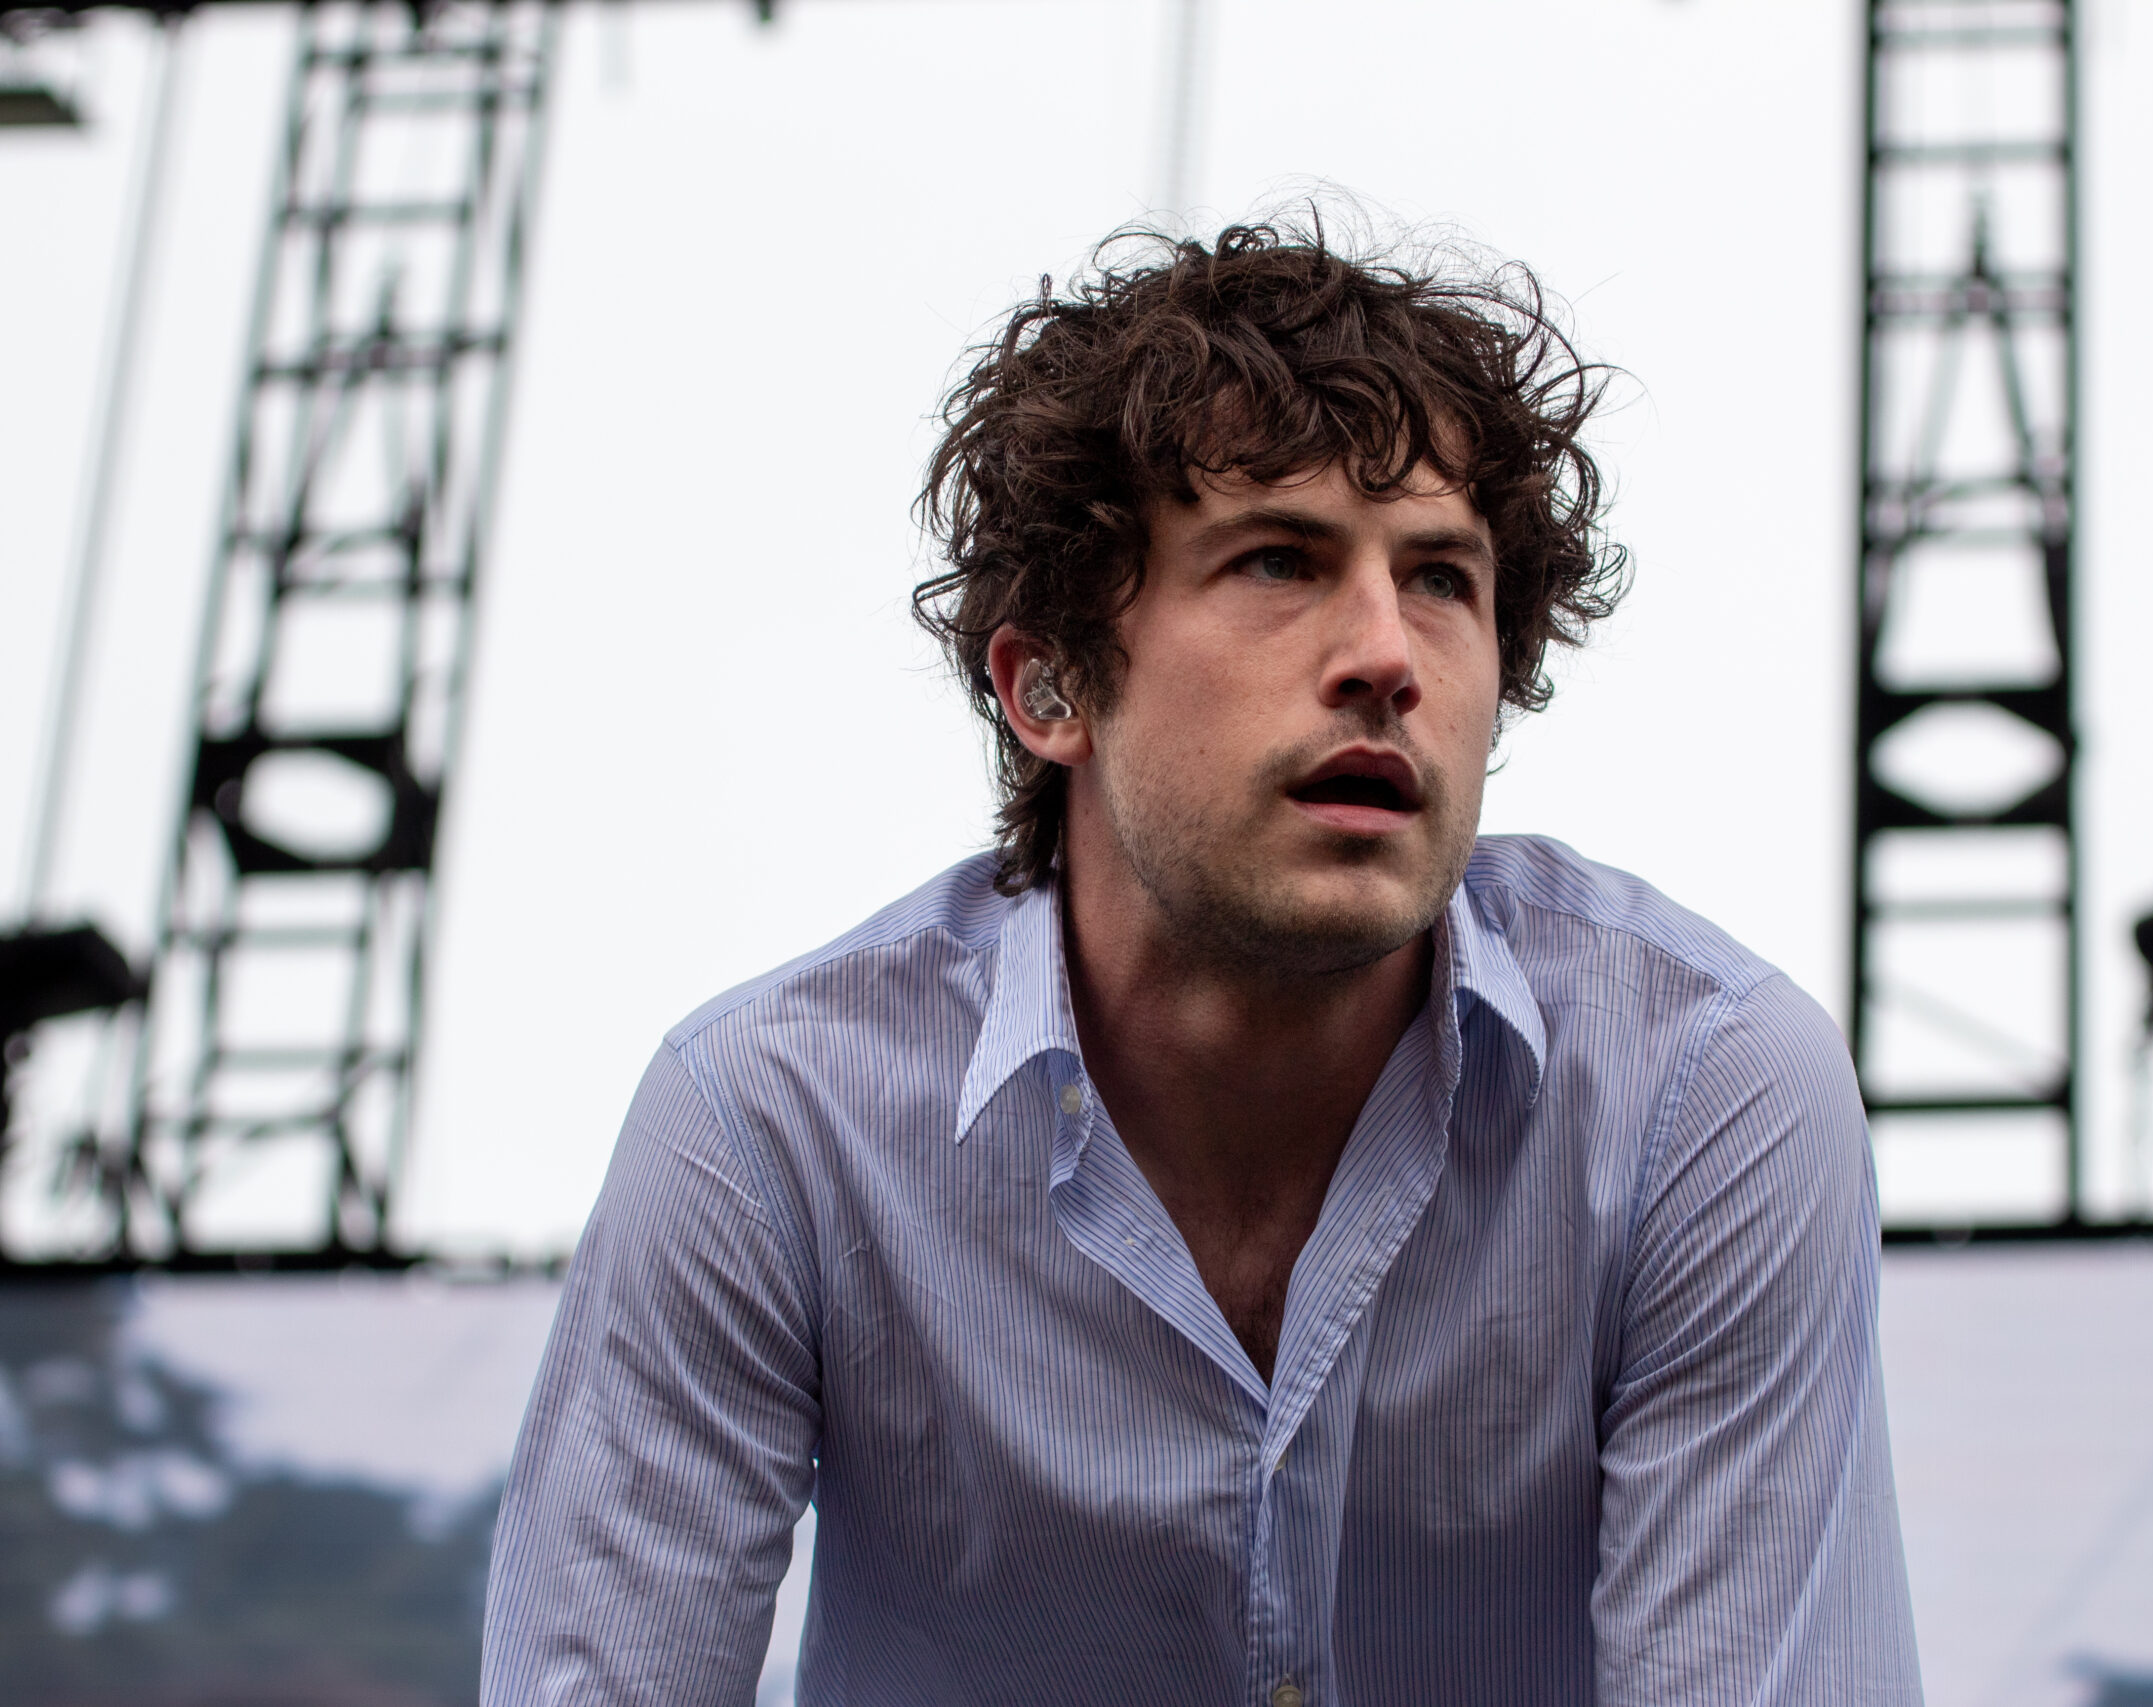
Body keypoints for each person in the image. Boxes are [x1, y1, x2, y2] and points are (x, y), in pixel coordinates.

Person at [481, 217, 1921, 1706]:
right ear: (1048, 684)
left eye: (1443, 579)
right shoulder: (769, 1124)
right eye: (1280, 560)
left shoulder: (1703, 1092)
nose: (1388, 656)